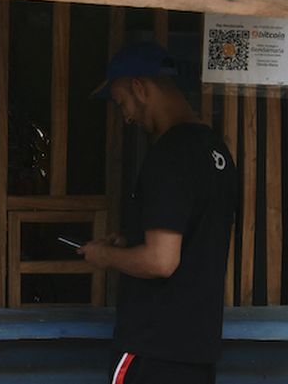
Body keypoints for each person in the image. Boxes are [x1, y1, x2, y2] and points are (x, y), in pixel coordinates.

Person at [80, 42, 238, 384]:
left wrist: (104, 256)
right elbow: (192, 237)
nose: (126, 116)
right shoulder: (216, 151)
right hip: (197, 349)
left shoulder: (169, 155)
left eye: (122, 102)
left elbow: (161, 261)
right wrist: (132, 240)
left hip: (154, 349)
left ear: (140, 87)